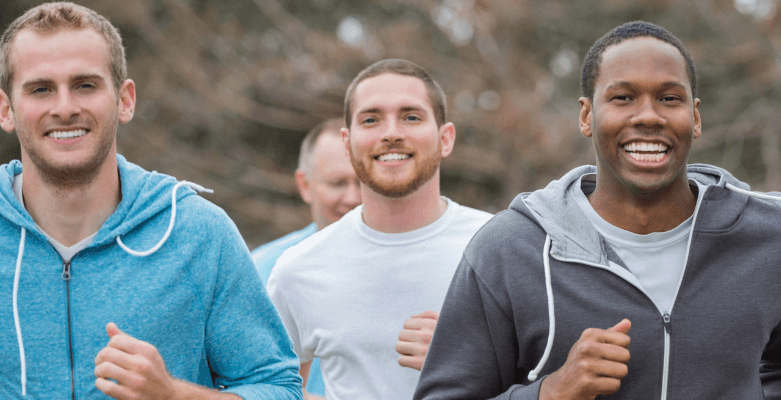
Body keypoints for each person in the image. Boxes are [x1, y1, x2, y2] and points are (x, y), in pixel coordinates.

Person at [415, 21, 781, 399]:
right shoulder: (509, 250)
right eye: (622, 98)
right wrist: (549, 393)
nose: (648, 116)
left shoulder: (780, 238)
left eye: (669, 98)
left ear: (695, 117)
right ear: (587, 115)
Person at [0, 3, 301, 398]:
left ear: (125, 100)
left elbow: (281, 389)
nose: (65, 107)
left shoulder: (198, 233)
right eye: (41, 89)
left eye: (85, 85)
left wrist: (174, 395)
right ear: (6, 109)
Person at [266, 59, 493, 400]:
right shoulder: (297, 269)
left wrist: (473, 362)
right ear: (347, 142)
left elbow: (553, 380)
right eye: (371, 119)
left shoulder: (500, 248)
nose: (391, 133)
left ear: (445, 139)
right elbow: (268, 388)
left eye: (411, 117)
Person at [249, 117, 360, 398]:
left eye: (363, 182)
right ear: (305, 184)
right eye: (337, 183)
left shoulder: (411, 264)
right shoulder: (260, 270)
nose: (353, 197)